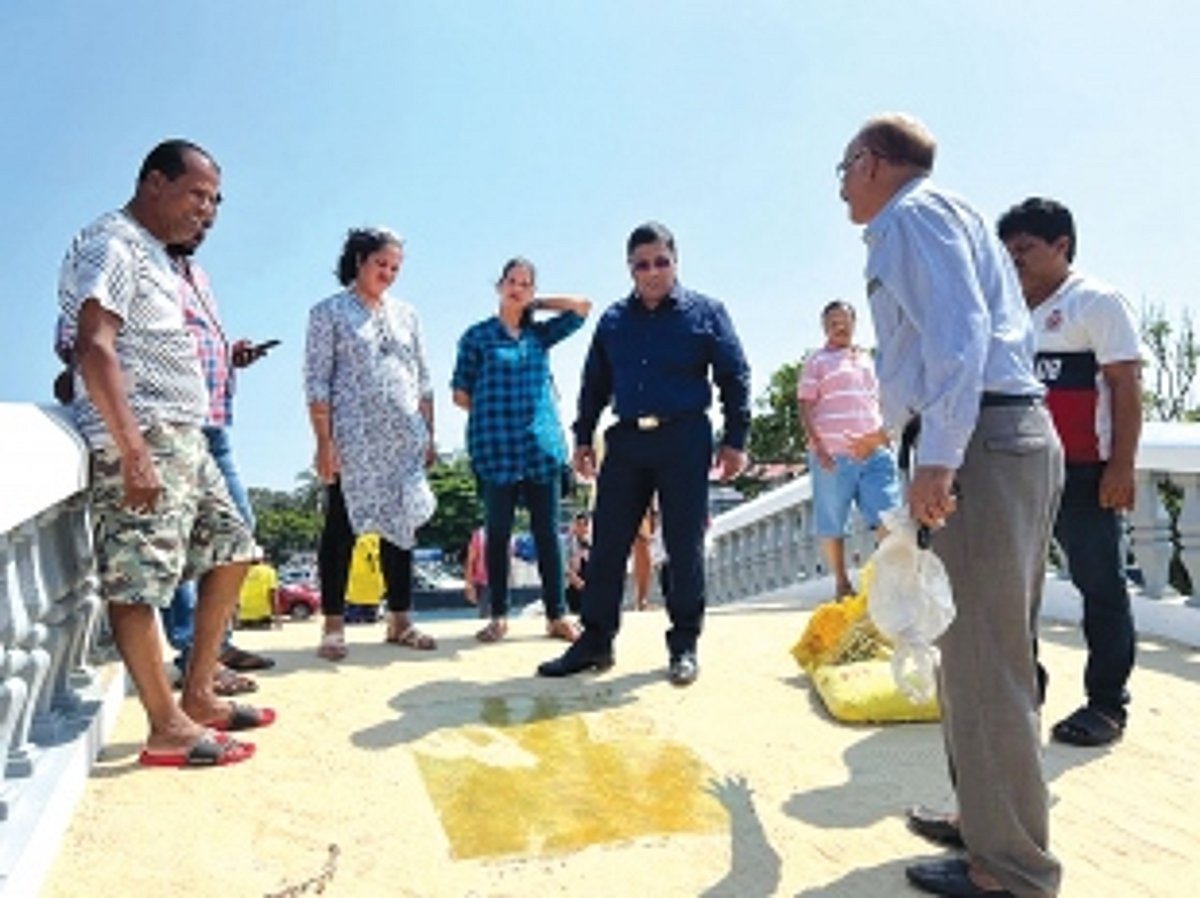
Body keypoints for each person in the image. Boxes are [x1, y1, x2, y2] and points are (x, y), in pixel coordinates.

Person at [838, 115, 1063, 897]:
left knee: (984, 661)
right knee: (973, 653)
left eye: (843, 169)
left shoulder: (913, 216)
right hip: (999, 435)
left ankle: (1011, 869)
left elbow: (958, 336)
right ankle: (985, 821)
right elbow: (935, 348)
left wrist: (938, 457)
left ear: (869, 163)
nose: (840, 187)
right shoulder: (947, 212)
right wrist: (901, 435)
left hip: (983, 443)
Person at [59, 139, 273, 768]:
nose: (206, 211)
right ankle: (165, 726)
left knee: (234, 548)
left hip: (186, 434)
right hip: (144, 435)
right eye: (195, 195)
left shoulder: (157, 255)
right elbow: (94, 346)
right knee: (138, 584)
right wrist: (132, 452)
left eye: (214, 201)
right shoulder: (112, 242)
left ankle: (200, 693)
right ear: (153, 182)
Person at [537, 221, 751, 687]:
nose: (652, 272)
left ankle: (684, 645)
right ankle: (595, 641)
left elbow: (734, 376)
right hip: (628, 440)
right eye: (641, 265)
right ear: (629, 268)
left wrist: (736, 439)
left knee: (682, 545)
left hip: (685, 437)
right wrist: (582, 438)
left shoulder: (707, 313)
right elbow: (594, 384)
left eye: (661, 262)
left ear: (675, 262)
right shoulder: (614, 320)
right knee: (608, 542)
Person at [998, 197, 1142, 747]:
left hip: (1086, 475)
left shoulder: (1095, 303)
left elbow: (1126, 386)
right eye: (1008, 249)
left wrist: (1121, 466)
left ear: (1062, 246)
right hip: (1019, 474)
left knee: (1101, 587)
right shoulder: (1007, 314)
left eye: (1026, 248)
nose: (1015, 259)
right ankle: (1022, 694)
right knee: (1010, 591)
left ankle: (1106, 704)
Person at [304, 227, 437, 661]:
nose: (389, 274)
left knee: (402, 527)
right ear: (359, 260)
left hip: (403, 438)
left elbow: (423, 378)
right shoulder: (328, 312)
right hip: (353, 439)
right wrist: (324, 442)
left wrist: (429, 434)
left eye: (395, 267)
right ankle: (333, 624)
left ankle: (400, 620)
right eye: (381, 264)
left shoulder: (407, 314)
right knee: (341, 528)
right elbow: (317, 381)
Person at [451, 257, 591, 643]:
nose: (517, 287)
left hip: (539, 446)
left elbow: (582, 307)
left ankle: (557, 615)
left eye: (525, 283)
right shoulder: (477, 337)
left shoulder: (539, 336)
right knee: (497, 533)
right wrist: (497, 411)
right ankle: (498, 614)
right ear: (499, 286)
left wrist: (537, 304)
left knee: (547, 532)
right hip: (495, 446)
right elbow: (460, 393)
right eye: (511, 281)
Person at [797, 299, 900, 600]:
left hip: (874, 451)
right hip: (833, 455)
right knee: (832, 521)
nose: (838, 326)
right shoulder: (816, 362)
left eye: (844, 321)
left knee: (888, 516)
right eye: (832, 322)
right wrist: (818, 446)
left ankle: (890, 581)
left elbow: (881, 399)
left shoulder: (869, 359)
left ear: (854, 324)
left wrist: (885, 437)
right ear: (823, 326)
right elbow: (804, 405)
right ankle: (841, 582)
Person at [564, 511, 591, 615]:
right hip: (573, 586)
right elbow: (565, 568)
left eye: (584, 525)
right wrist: (579, 584)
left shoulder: (588, 544)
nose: (581, 528)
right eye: (578, 524)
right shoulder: (567, 543)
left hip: (585, 585)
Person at [463, 526, 490, 618]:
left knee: (492, 613)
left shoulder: (479, 535)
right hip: (483, 581)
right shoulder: (479, 535)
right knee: (486, 612)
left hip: (488, 580)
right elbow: (471, 560)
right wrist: (469, 583)